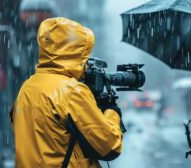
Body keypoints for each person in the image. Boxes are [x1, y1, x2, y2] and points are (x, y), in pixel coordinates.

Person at [10, 17, 123, 168]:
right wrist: (111, 111)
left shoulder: (27, 87)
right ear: (76, 52)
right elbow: (109, 147)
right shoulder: (71, 91)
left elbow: (43, 136)